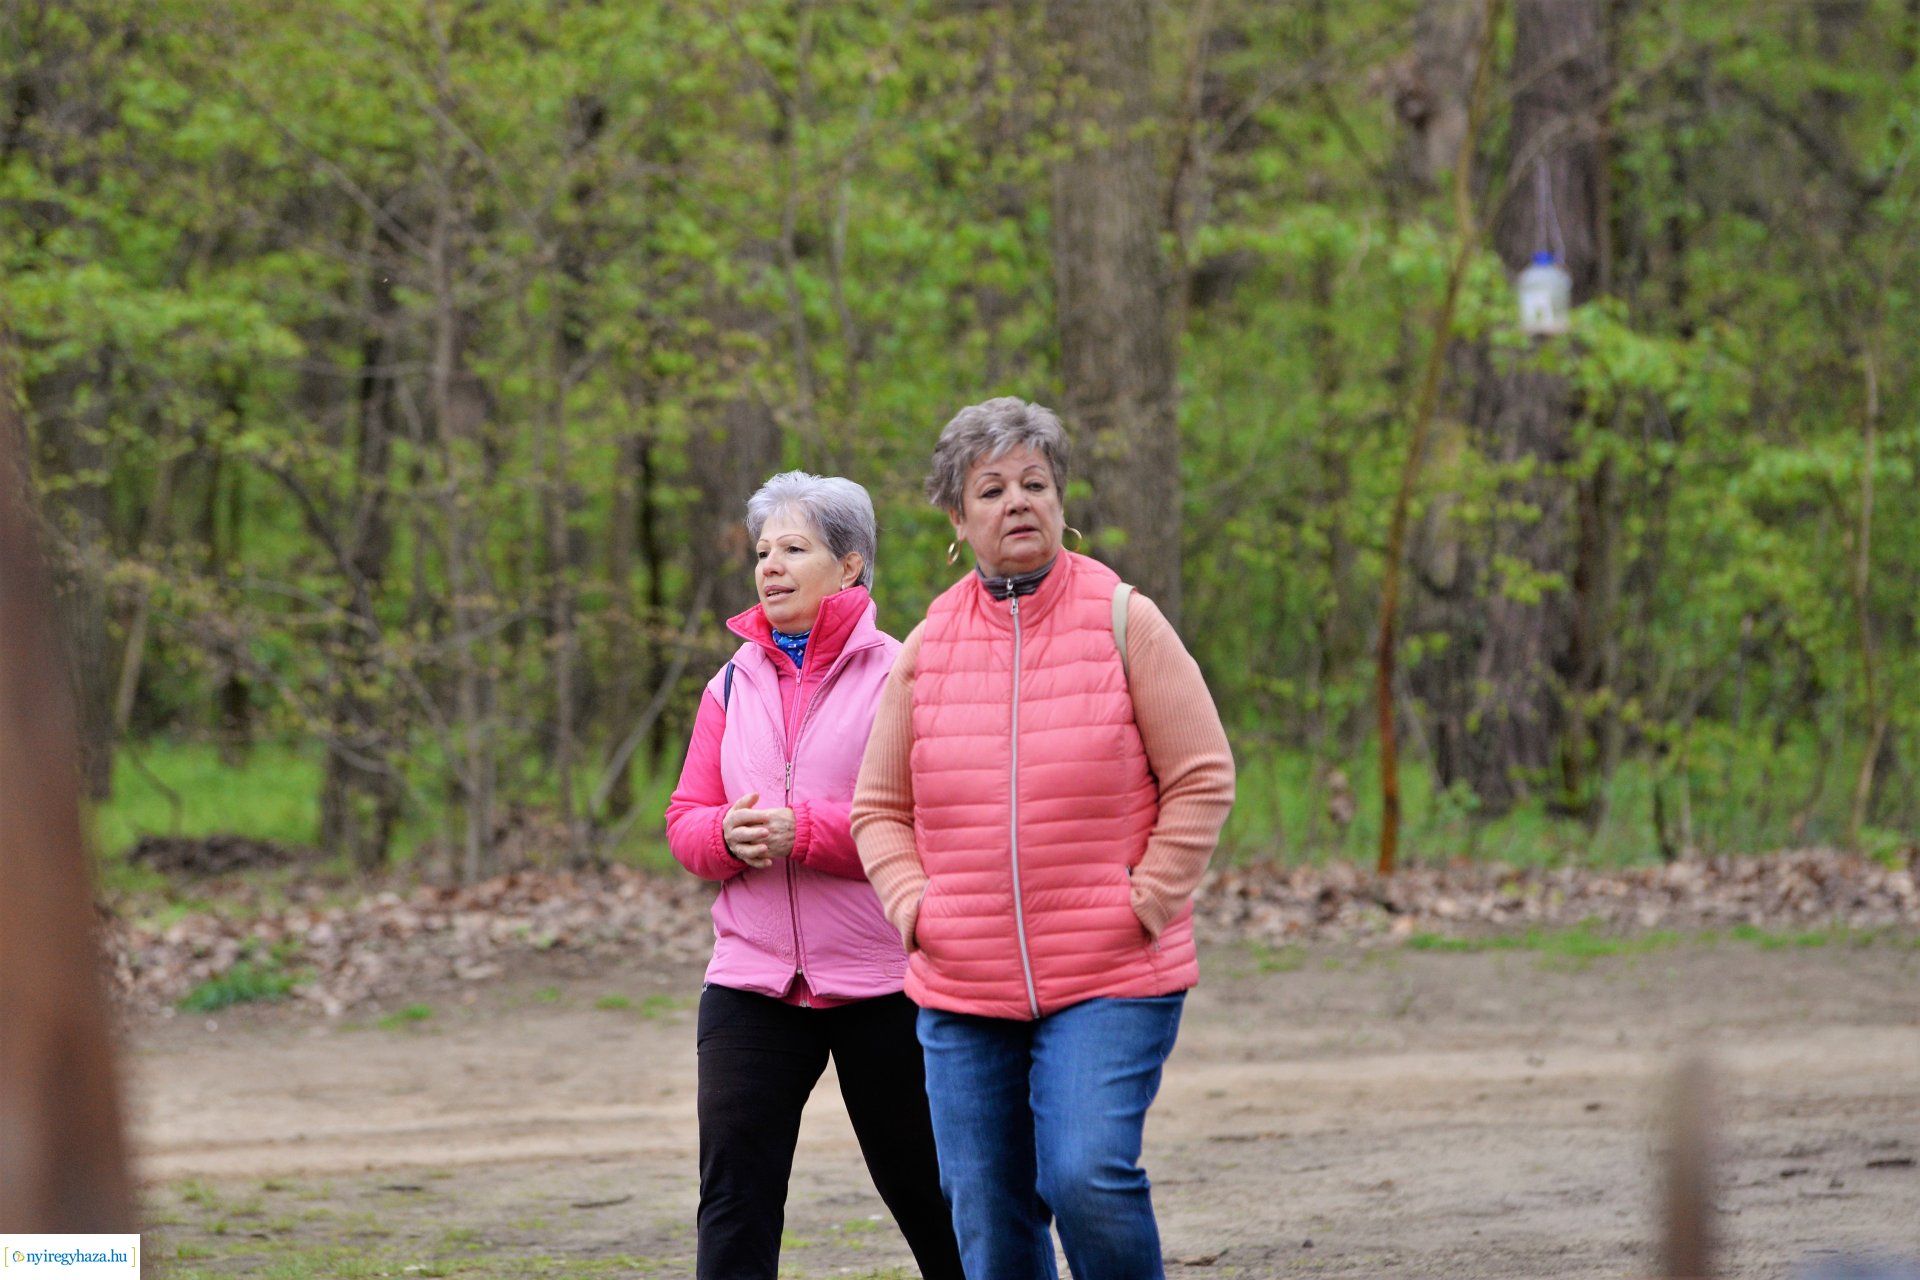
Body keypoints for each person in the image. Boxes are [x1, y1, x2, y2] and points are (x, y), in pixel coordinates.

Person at [852, 398, 1236, 1280]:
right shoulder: (926, 649)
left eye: (1035, 483)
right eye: (991, 490)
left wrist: (1147, 901)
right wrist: (917, 910)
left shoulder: (1125, 619)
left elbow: (1201, 775)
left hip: (1111, 970)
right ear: (958, 519)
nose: (1018, 502)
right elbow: (878, 808)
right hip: (963, 982)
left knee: (1085, 1176)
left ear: (1061, 500)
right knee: (988, 1216)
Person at [665, 471, 962, 1280]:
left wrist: (809, 832)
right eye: (764, 551)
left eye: (794, 549)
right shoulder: (730, 683)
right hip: (751, 981)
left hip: (884, 981)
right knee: (734, 1202)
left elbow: (934, 826)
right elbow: (685, 819)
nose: (771, 566)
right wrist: (724, 836)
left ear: (850, 564)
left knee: (931, 1194)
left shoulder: (904, 675)